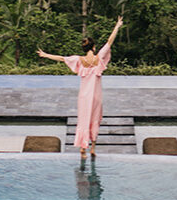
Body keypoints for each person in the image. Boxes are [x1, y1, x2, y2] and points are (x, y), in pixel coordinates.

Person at [38, 15, 124, 159]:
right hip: (96, 96)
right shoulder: (99, 58)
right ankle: (93, 149)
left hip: (84, 96)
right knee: (95, 119)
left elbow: (61, 58)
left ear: (85, 48)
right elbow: (110, 42)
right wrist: (117, 26)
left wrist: (45, 55)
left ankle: (82, 150)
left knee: (83, 120)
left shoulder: (79, 60)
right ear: (94, 47)